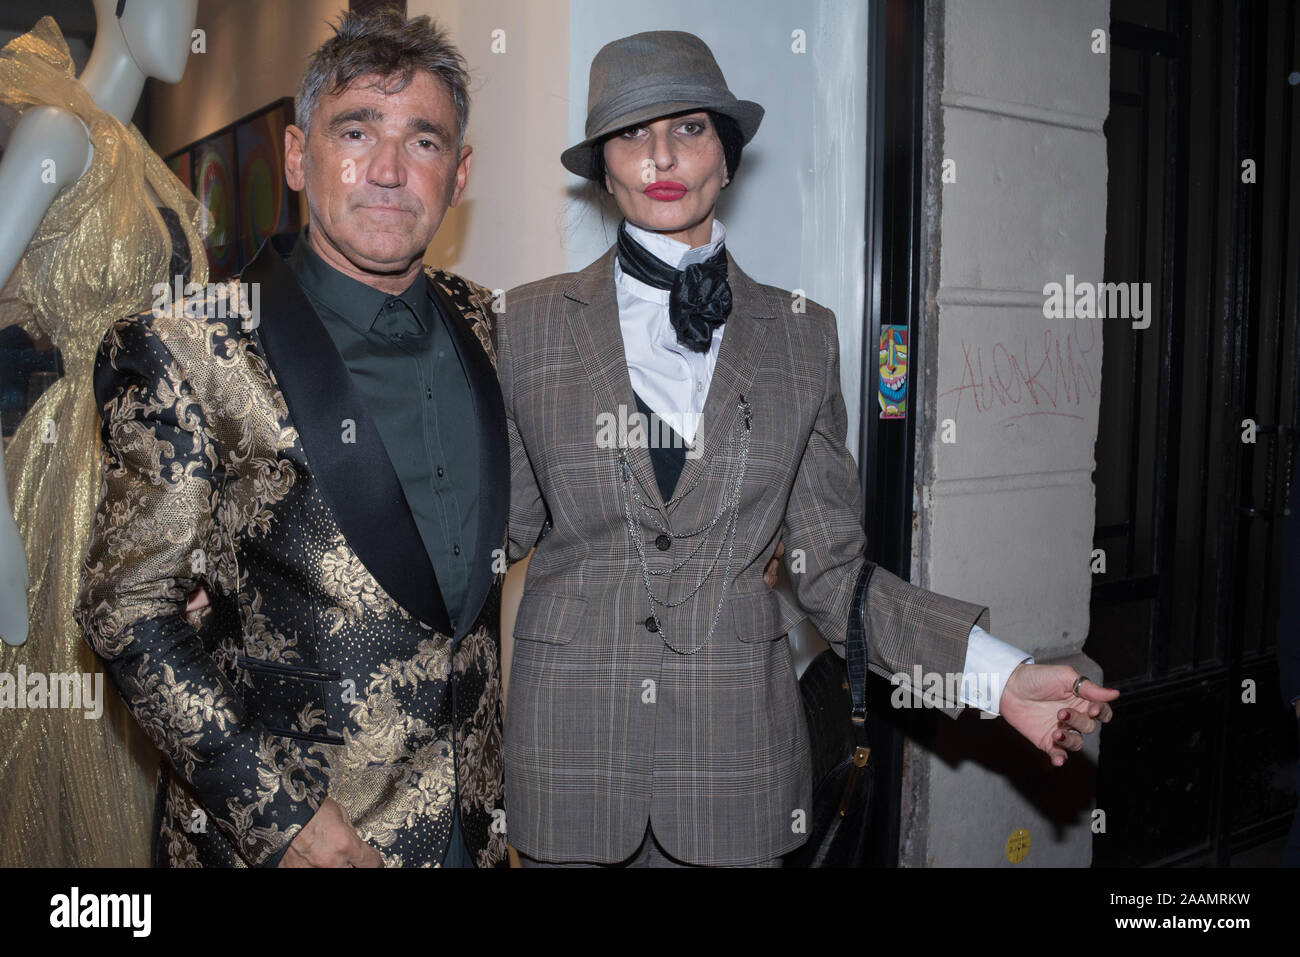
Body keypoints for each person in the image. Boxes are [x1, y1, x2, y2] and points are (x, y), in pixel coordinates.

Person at [497, 30, 1119, 867]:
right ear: (602, 169)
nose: (660, 155)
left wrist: (997, 675)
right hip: (567, 769)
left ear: (727, 156)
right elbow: (480, 547)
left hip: (737, 780)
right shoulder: (525, 326)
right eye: (631, 134)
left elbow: (832, 572)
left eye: (689, 128)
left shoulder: (802, 337)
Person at [76, 6, 508, 867]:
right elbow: (123, 607)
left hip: (474, 829)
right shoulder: (188, 342)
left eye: (423, 141)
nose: (389, 169)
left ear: (457, 175)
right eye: (357, 130)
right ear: (299, 157)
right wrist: (284, 818)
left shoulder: (486, 321)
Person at [0, 1, 205, 867]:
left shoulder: (153, 172)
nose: (190, 16)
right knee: (74, 736)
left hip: (162, 479)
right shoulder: (56, 134)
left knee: (152, 741)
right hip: (75, 473)